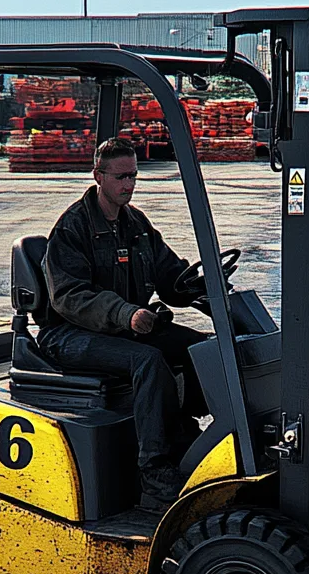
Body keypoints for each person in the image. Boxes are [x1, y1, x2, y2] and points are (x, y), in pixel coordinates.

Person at [40, 137, 207, 508]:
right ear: (98, 175)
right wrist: (125, 314)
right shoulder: (73, 228)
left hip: (121, 325)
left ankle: (183, 432)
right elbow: (70, 297)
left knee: (203, 347)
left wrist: (203, 285)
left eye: (133, 176)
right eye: (120, 177)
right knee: (146, 361)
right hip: (68, 333)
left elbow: (170, 274)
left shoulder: (136, 224)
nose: (128, 185)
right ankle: (154, 469)